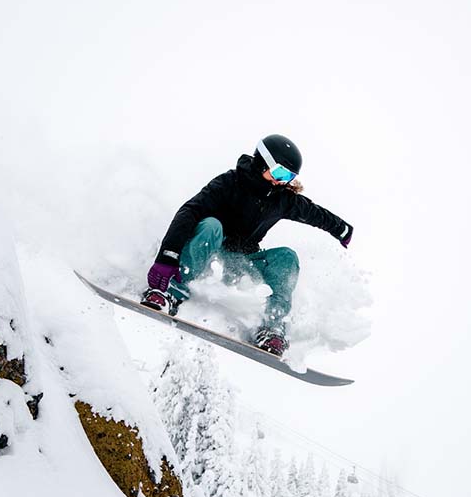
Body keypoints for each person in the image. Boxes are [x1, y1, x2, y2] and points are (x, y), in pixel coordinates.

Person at [141, 134, 354, 355]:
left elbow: (314, 213)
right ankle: (170, 291)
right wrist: (167, 258)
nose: (283, 181)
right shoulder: (229, 183)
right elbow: (189, 212)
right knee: (212, 225)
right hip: (205, 254)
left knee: (286, 257)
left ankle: (273, 328)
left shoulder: (282, 199)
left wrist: (341, 229)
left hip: (238, 262)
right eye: (280, 172)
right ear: (263, 162)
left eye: (289, 177)